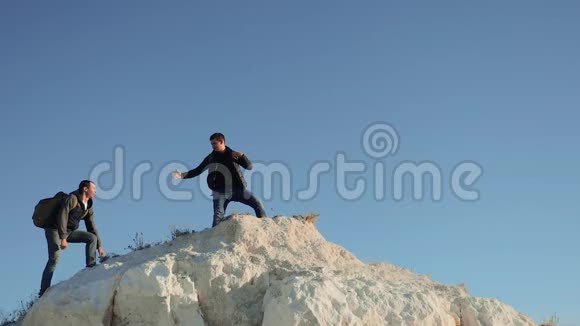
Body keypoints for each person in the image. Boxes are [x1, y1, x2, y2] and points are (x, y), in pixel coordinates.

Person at [173, 132, 266, 227]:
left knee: (257, 202)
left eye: (214, 143)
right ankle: (214, 238)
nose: (212, 146)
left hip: (238, 189)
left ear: (221, 142)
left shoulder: (233, 154)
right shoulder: (210, 158)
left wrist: (242, 156)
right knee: (218, 216)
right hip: (221, 192)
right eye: (211, 144)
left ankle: (264, 225)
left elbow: (249, 167)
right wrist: (182, 175)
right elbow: (198, 170)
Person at [39, 180, 106, 297]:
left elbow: (91, 226)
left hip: (69, 232)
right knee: (54, 258)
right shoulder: (72, 198)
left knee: (91, 238)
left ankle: (91, 266)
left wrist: (99, 246)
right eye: (93, 189)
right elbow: (62, 216)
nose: (95, 192)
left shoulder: (88, 205)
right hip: (54, 229)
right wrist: (63, 238)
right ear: (85, 189)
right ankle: (43, 292)